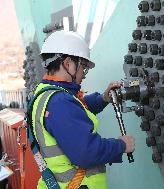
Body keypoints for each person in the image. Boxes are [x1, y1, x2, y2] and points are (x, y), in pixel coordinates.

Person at [30, 30, 135, 189]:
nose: (84, 75)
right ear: (68, 64)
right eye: (83, 67)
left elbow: (76, 109)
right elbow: (87, 152)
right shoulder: (59, 102)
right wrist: (121, 145)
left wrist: (103, 98)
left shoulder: (45, 92)